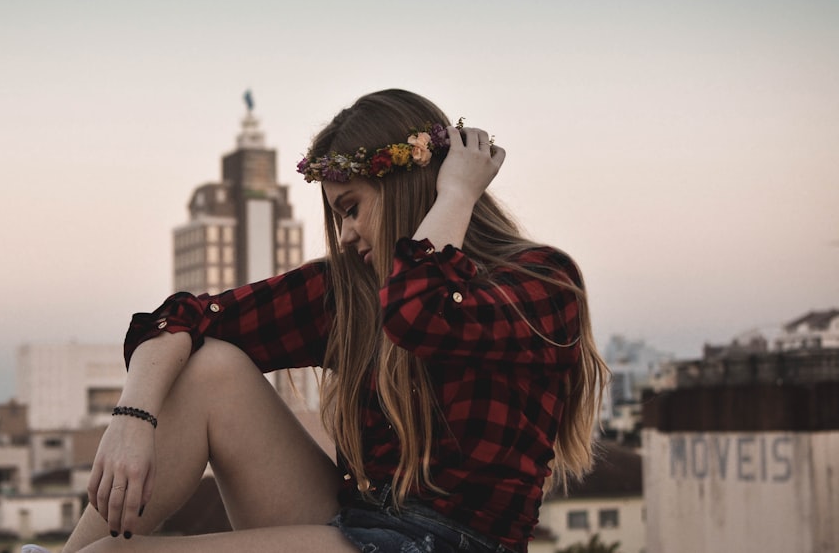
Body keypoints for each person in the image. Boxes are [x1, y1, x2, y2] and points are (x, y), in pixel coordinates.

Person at [50, 89, 608, 553]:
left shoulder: (540, 282)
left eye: (352, 209)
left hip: (453, 542)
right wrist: (132, 418)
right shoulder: (354, 289)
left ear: (408, 188)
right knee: (212, 364)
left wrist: (457, 190)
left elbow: (419, 312)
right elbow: (182, 320)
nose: (344, 235)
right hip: (356, 522)